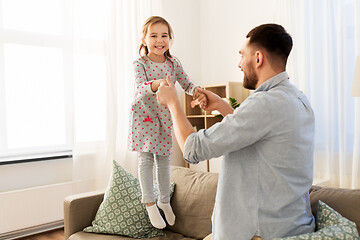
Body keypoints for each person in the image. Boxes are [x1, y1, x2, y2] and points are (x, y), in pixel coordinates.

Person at [156, 23, 315, 239]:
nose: (239, 63)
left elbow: (192, 149)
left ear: (258, 58)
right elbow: (259, 136)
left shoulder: (264, 103)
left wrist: (173, 104)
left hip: (258, 233)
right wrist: (223, 107)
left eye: (242, 55)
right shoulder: (298, 99)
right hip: (290, 227)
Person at [128, 16, 207, 229]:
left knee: (164, 160)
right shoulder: (140, 64)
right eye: (153, 36)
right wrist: (157, 83)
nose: (159, 40)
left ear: (170, 39)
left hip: (164, 118)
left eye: (164, 35)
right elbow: (140, 89)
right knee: (146, 161)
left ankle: (164, 200)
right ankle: (150, 202)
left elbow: (186, 83)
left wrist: (196, 91)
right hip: (144, 118)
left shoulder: (174, 64)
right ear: (144, 40)